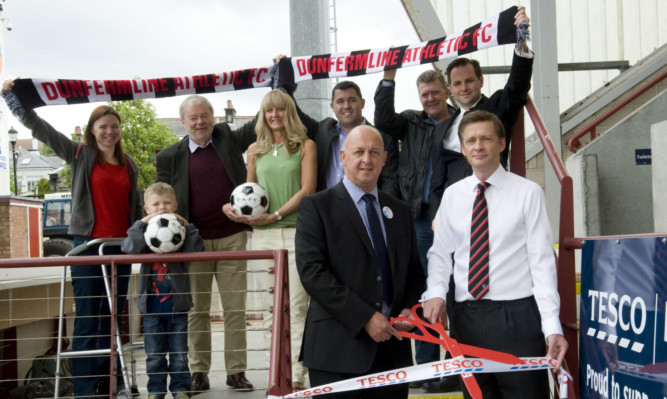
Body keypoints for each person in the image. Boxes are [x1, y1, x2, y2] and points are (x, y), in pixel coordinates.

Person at [2, 80, 143, 398]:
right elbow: (42, 128)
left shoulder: (129, 165)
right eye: (103, 126)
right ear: (92, 131)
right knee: (87, 320)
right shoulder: (80, 155)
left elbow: (133, 211)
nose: (109, 131)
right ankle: (84, 389)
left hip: (119, 251)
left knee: (112, 320)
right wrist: (13, 97)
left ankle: (112, 383)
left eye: (114, 126)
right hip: (88, 248)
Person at [423, 111, 569, 398]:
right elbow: (440, 254)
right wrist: (436, 292)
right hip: (467, 318)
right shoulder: (452, 196)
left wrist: (552, 325)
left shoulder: (528, 193)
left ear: (501, 144)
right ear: (463, 149)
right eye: (471, 140)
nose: (478, 146)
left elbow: (541, 263)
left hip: (516, 317)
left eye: (486, 138)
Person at [295, 125, 426, 398]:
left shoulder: (400, 211)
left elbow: (414, 271)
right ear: (343, 157)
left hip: (393, 351)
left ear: (384, 158)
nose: (366, 159)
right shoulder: (316, 207)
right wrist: (365, 317)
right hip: (338, 352)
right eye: (358, 152)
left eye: (374, 152)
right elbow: (313, 273)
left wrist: (408, 310)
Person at [156, 95, 256, 393]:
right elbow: (160, 200)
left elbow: (258, 123)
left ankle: (236, 372)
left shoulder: (226, 138)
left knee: (235, 309)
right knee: (196, 310)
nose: (200, 122)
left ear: (213, 117)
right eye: (193, 118)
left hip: (232, 238)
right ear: (183, 122)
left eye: (205, 116)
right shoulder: (169, 157)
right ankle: (199, 371)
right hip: (193, 243)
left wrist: (283, 82)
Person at [223, 89, 316, 392]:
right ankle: (276, 375)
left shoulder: (306, 146)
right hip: (261, 239)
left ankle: (297, 376)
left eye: (280, 110)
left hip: (294, 235)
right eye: (268, 111)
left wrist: (275, 216)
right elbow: (248, 192)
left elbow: (307, 191)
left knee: (297, 307)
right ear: (263, 116)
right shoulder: (254, 150)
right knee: (268, 311)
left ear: (289, 112)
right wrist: (233, 209)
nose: (274, 116)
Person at [373, 67, 454, 381]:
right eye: (425, 95)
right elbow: (383, 120)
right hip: (419, 218)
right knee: (424, 292)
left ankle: (460, 364)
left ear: (445, 91)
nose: (431, 99)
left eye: (435, 92)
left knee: (454, 291)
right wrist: (388, 78)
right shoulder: (411, 121)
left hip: (452, 219)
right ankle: (428, 369)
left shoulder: (460, 123)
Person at [428, 6, 533, 216]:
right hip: (455, 210)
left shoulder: (497, 108)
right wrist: (436, 215)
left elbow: (517, 85)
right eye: (457, 84)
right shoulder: (443, 129)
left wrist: (520, 38)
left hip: (491, 204)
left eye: (469, 81)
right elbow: (437, 180)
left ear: (481, 81)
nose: (464, 88)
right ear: (450, 90)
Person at [121, 182, 205, 399]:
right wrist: (141, 224)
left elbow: (196, 250)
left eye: (167, 203)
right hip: (151, 309)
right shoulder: (146, 232)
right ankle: (155, 391)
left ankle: (181, 389)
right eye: (155, 204)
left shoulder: (180, 230)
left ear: (175, 206)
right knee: (154, 355)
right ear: (146, 209)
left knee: (179, 354)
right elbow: (129, 248)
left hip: (178, 307)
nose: (161, 208)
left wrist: (188, 226)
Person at [293, 79, 400, 197]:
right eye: (340, 101)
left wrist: (383, 211)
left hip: (364, 210)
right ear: (332, 106)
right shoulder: (323, 129)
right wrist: (285, 84)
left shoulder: (382, 137)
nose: (346, 106)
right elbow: (295, 113)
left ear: (362, 103)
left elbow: (390, 181)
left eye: (352, 100)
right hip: (327, 208)